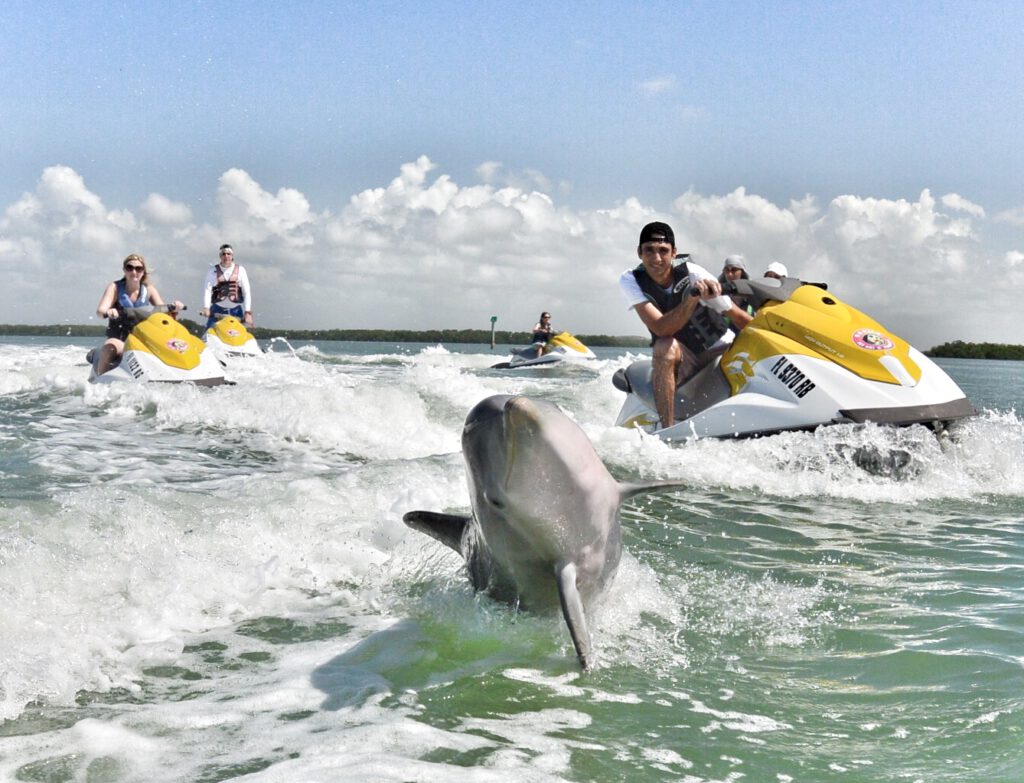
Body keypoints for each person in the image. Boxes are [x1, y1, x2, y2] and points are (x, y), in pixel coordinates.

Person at [619, 222, 753, 429]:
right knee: (664, 347)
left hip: (721, 349)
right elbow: (661, 328)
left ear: (674, 253)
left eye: (663, 251)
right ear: (639, 253)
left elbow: (737, 316)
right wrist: (691, 299)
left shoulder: (693, 273)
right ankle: (668, 430)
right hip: (685, 360)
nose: (656, 259)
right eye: (649, 251)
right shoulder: (631, 280)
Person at [93, 253, 183, 376]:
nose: (134, 271)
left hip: (143, 339)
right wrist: (108, 311)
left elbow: (164, 312)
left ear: (143, 271)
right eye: (130, 267)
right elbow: (100, 311)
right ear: (124, 270)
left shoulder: (149, 289)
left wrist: (174, 308)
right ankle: (100, 381)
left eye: (138, 268)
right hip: (120, 339)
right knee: (109, 349)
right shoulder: (114, 287)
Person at [201, 244, 253, 328]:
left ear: (232, 256)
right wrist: (206, 307)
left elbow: (246, 292)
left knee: (239, 337)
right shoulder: (212, 271)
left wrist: (247, 312)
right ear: (220, 256)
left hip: (236, 311)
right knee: (208, 334)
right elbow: (207, 290)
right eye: (223, 254)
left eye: (228, 254)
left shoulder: (241, 270)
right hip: (216, 311)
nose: (226, 256)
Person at [719, 254, 754, 327]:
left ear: (742, 272)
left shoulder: (752, 296)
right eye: (727, 270)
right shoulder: (718, 294)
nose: (730, 274)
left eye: (734, 270)